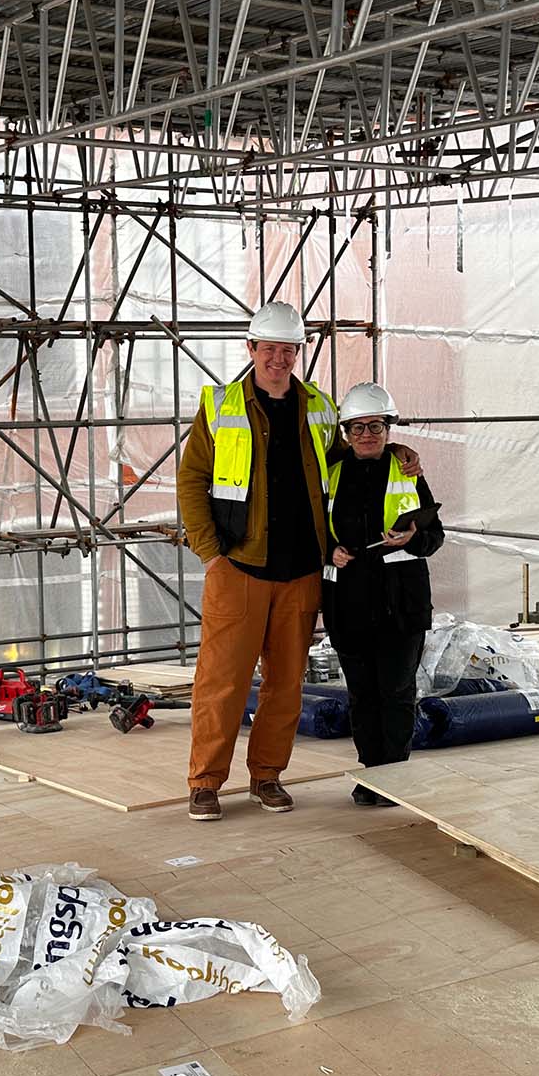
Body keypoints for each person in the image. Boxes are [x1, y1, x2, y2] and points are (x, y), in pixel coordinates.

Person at [176, 304, 417, 821]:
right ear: (251, 350)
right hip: (238, 567)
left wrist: (395, 450)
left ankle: (267, 776)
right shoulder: (221, 406)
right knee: (222, 683)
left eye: (289, 350)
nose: (279, 359)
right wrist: (210, 555)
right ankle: (205, 782)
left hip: (302, 571)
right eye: (270, 349)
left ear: (297, 353)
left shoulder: (321, 408)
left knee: (285, 686)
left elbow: (353, 459)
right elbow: (191, 480)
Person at [321, 382, 444, 808]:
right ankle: (370, 773)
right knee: (361, 694)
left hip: (399, 606)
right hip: (349, 604)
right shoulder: (331, 475)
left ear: (389, 429)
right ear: (346, 432)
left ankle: (395, 775)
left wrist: (412, 537)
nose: (367, 434)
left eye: (376, 425)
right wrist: (328, 551)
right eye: (357, 428)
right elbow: (313, 534)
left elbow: (434, 538)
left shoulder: (407, 471)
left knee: (396, 692)